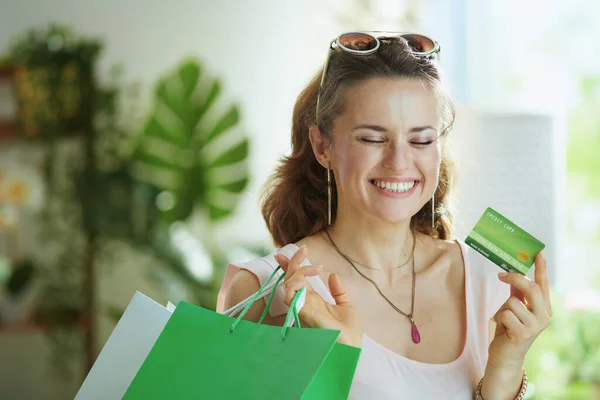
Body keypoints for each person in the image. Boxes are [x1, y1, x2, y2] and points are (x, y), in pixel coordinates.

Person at [217, 32, 551, 400]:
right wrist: (328, 367)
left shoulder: (488, 281)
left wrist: (505, 371)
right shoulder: (264, 292)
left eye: (421, 140)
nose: (399, 162)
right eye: (373, 139)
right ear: (322, 146)